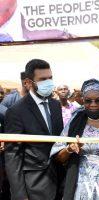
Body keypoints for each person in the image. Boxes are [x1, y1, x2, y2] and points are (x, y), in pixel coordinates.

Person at [4, 59, 64, 200]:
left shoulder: (55, 105)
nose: (48, 82)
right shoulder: (16, 111)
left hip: (59, 182)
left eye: (50, 78)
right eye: (43, 79)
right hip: (33, 186)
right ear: (28, 82)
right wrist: (20, 195)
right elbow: (13, 156)